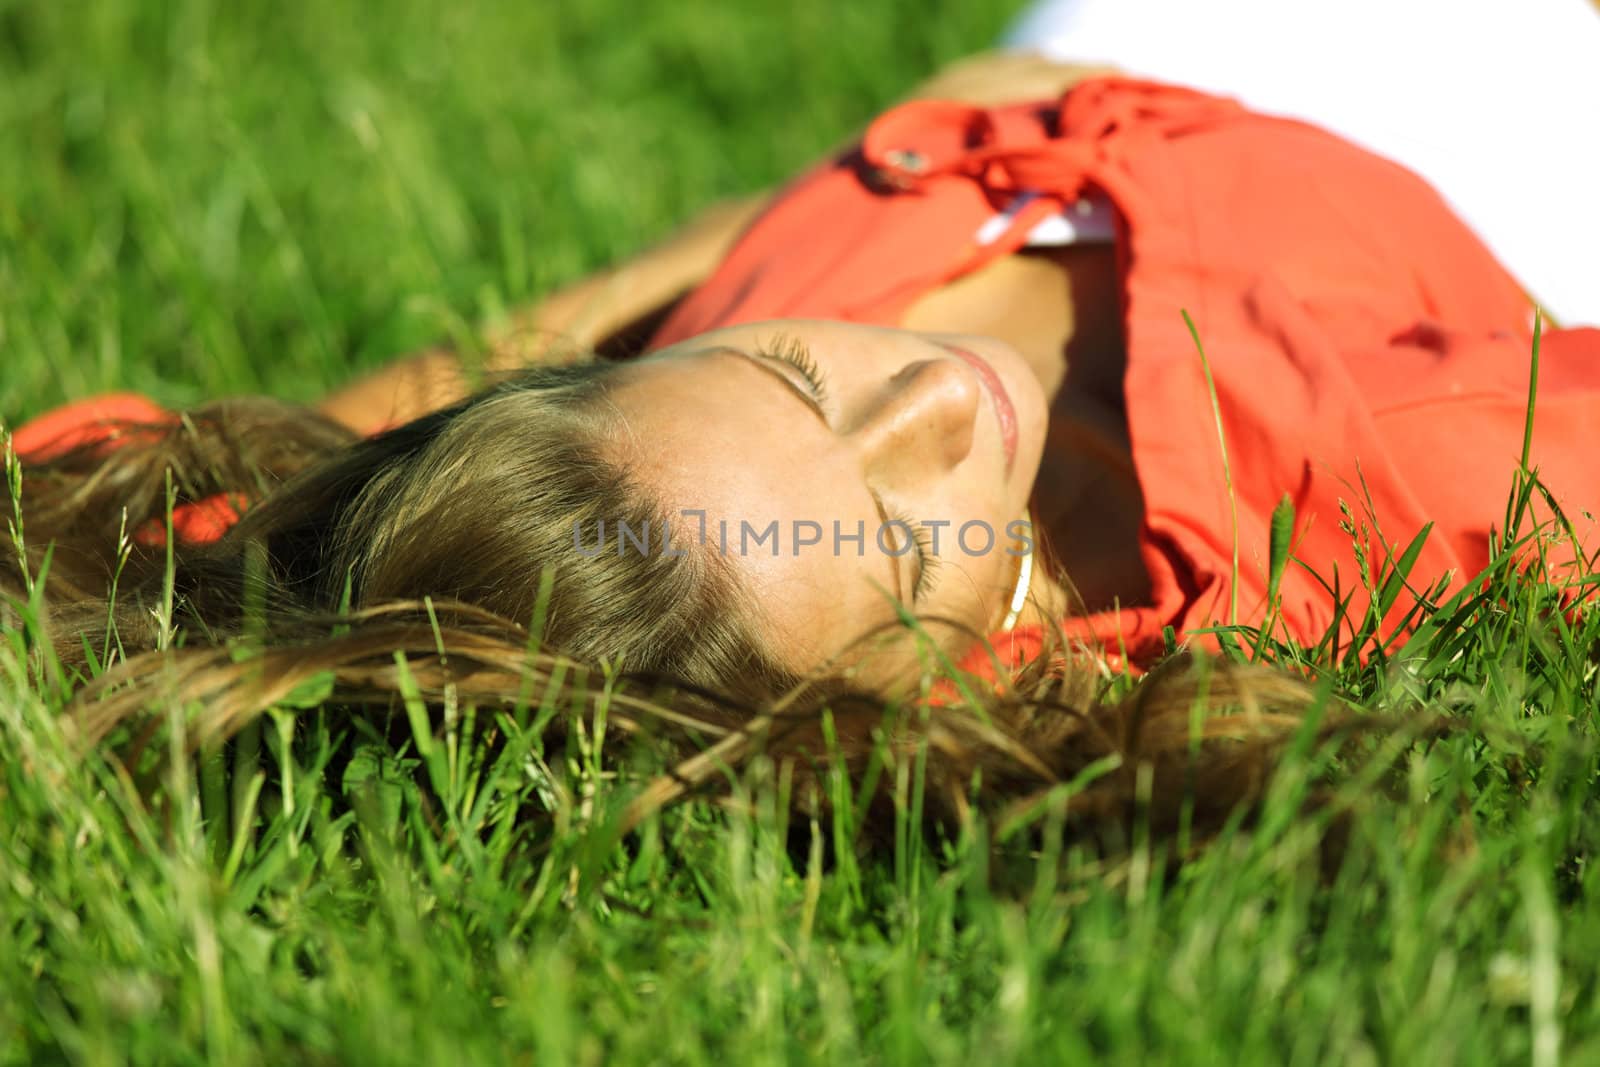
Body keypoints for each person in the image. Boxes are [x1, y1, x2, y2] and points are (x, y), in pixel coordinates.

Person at [7, 45, 1598, 841]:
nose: (932, 397)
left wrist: (351, 438)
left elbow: (910, 137)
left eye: (786, 371)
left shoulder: (664, 416)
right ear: (921, 698)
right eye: (906, 537)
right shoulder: (1417, 484)